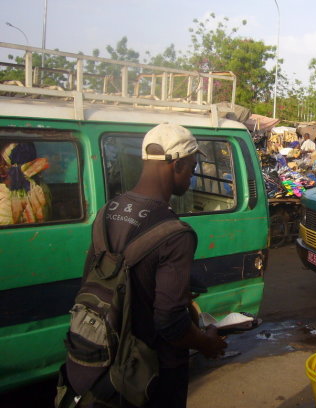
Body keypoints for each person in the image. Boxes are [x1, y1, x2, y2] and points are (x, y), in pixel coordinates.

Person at [66, 123, 227, 407]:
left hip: (106, 362)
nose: (193, 174)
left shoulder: (107, 212)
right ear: (176, 164)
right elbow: (170, 323)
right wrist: (207, 342)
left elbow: (91, 281)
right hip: (150, 374)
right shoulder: (175, 233)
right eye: (192, 165)